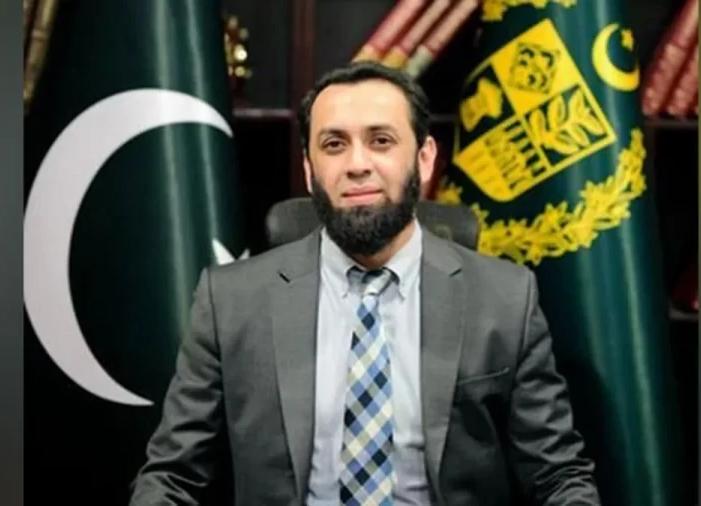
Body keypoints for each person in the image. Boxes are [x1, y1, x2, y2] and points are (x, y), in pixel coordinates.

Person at [129, 61, 600, 506]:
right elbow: (173, 476)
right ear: (310, 169)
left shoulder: (506, 299)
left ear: (424, 158)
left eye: (381, 141)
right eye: (334, 144)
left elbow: (558, 476)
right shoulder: (230, 301)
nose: (357, 164)